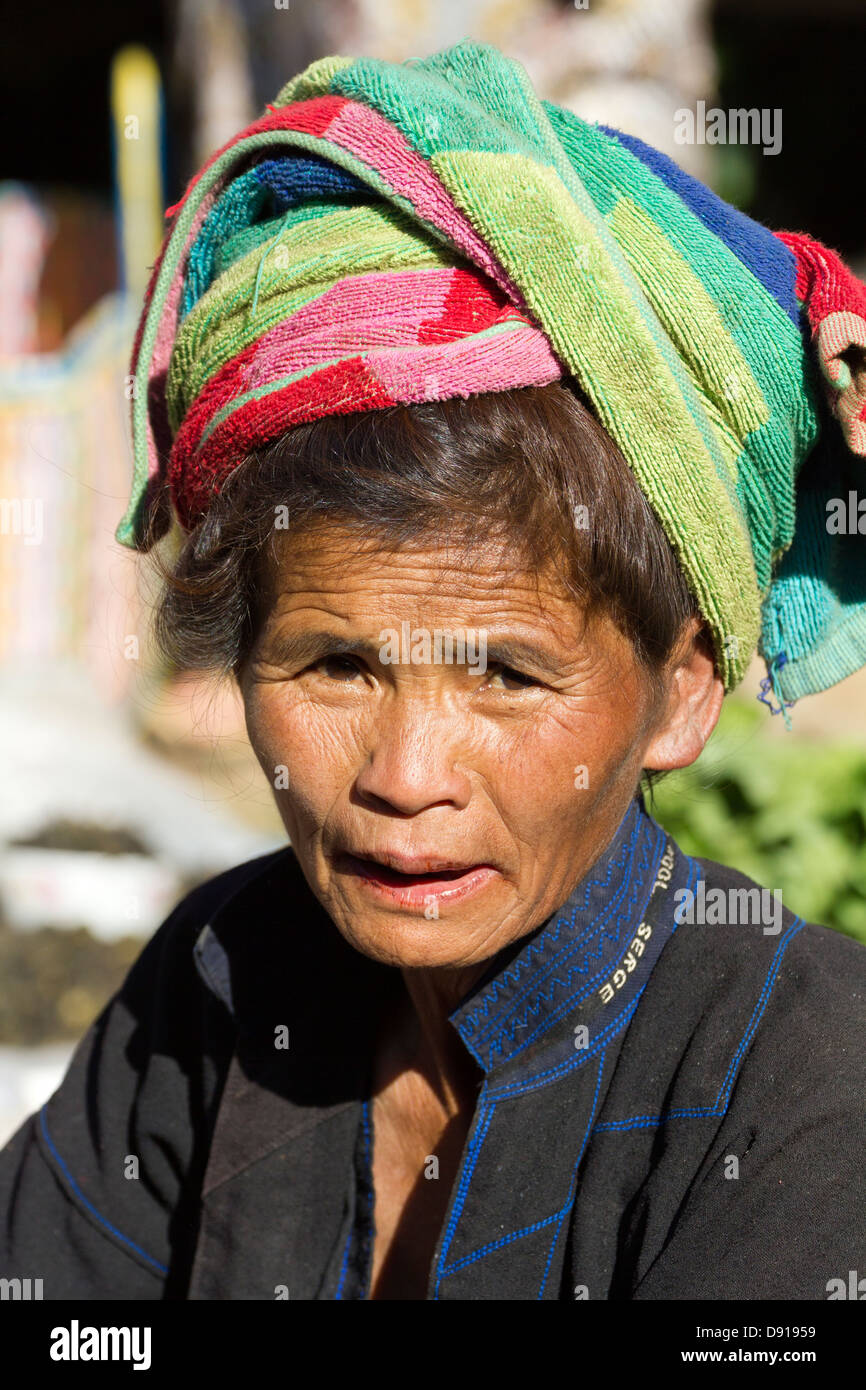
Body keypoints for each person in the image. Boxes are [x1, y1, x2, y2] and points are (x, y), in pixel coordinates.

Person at [2, 39, 865, 1301]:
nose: (404, 780)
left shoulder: (804, 1083)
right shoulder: (218, 981)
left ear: (682, 690)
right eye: (336, 665)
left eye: (508, 677)